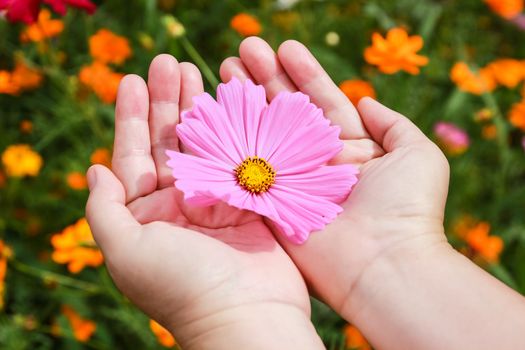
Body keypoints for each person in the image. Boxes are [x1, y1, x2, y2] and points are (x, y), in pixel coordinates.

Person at [85, 37, 525, 349]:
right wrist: (398, 256)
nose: (254, 176)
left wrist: (223, 317)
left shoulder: (286, 180)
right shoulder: (238, 173)